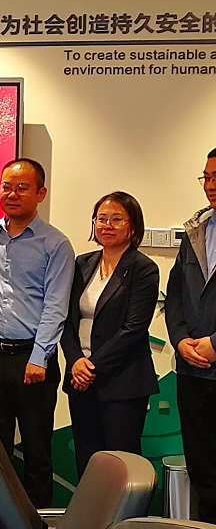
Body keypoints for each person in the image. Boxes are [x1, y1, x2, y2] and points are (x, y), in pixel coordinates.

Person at [0, 158, 75, 509]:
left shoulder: (55, 243)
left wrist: (39, 357)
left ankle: (37, 518)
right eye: (6, 187)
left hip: (33, 359)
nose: (12, 194)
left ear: (40, 193)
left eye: (22, 188)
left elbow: (56, 306)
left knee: (36, 450)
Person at [61, 191, 159, 478]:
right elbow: (65, 318)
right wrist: (75, 361)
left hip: (122, 383)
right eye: (101, 219)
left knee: (120, 465)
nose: (107, 225)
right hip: (79, 379)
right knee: (87, 461)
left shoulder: (143, 269)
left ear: (133, 227)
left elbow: (133, 329)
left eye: (117, 219)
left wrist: (91, 368)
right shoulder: (82, 263)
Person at [167, 148, 216, 522]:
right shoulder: (196, 230)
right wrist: (181, 339)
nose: (210, 185)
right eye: (207, 177)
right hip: (193, 371)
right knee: (203, 469)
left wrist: (215, 344)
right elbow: (176, 295)